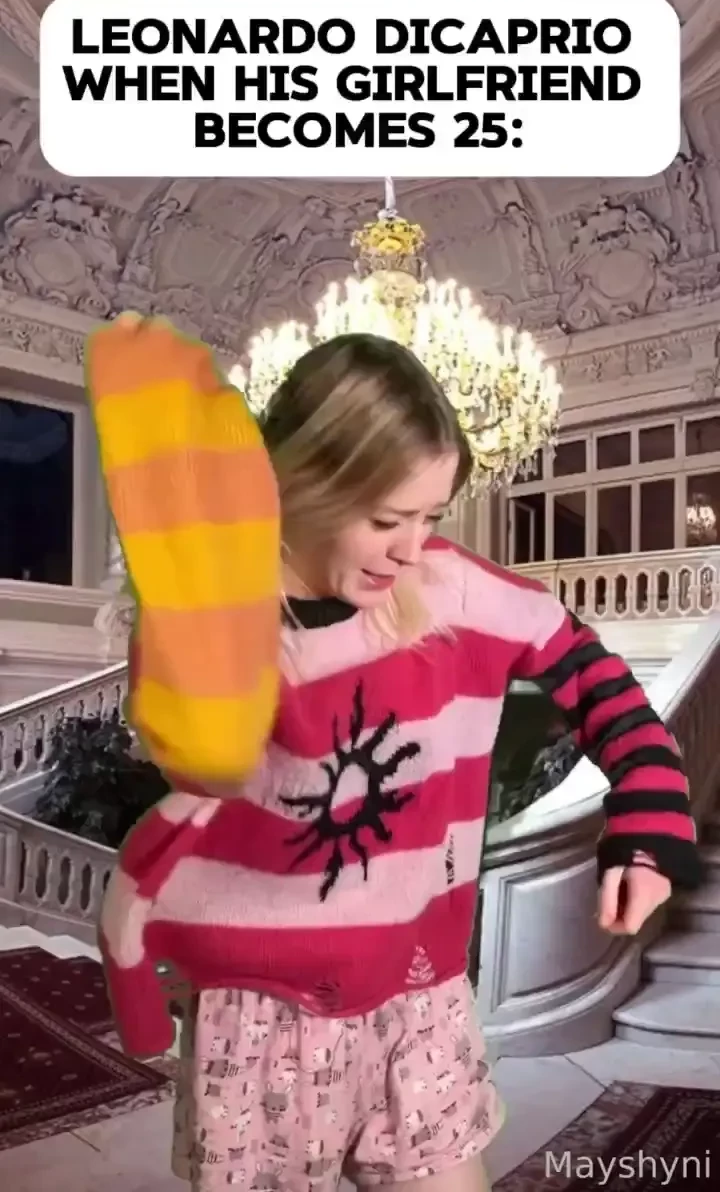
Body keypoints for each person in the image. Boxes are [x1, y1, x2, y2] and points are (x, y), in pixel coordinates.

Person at [101, 332, 699, 1192]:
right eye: (385, 520)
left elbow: (605, 688)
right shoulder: (213, 622)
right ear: (301, 484)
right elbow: (188, 780)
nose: (411, 549)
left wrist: (647, 823)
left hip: (423, 995)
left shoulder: (458, 592)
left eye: (431, 517)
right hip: (259, 1014)